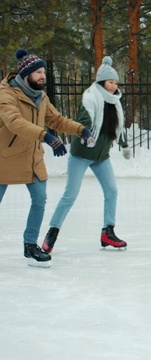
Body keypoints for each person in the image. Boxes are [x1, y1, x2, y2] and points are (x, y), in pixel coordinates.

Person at [0, 48, 94, 268]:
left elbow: (57, 120)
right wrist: (45, 136)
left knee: (39, 200)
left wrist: (81, 130)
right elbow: (14, 122)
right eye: (38, 72)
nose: (43, 75)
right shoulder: (6, 95)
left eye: (44, 71)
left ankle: (30, 245)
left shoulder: (40, 96)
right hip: (4, 157)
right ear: (26, 75)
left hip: (31, 157)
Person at [42, 56, 131, 254]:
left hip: (101, 157)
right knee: (70, 196)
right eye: (110, 82)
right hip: (81, 154)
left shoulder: (116, 102)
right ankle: (52, 233)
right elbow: (84, 120)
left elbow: (120, 125)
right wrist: (87, 135)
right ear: (101, 82)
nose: (113, 86)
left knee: (112, 191)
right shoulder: (90, 98)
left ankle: (107, 232)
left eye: (116, 82)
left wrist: (124, 145)